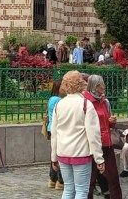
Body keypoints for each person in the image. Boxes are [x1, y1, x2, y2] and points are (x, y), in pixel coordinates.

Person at [50, 71, 105, 199]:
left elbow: (54, 133)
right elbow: (93, 135)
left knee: (68, 189)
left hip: (63, 152)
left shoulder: (59, 104)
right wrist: (99, 158)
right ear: (81, 83)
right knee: (81, 190)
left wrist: (54, 157)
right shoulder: (86, 104)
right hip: (81, 153)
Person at [83, 75, 122, 199]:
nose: (104, 87)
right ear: (95, 87)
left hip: (106, 143)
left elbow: (107, 123)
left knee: (113, 177)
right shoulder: (86, 102)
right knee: (90, 180)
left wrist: (111, 121)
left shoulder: (105, 101)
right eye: (102, 85)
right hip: (91, 144)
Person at [47, 78, 64, 190]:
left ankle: (52, 180)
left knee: (54, 155)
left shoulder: (51, 99)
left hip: (51, 127)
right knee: (61, 155)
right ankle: (60, 181)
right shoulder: (59, 100)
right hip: (57, 128)